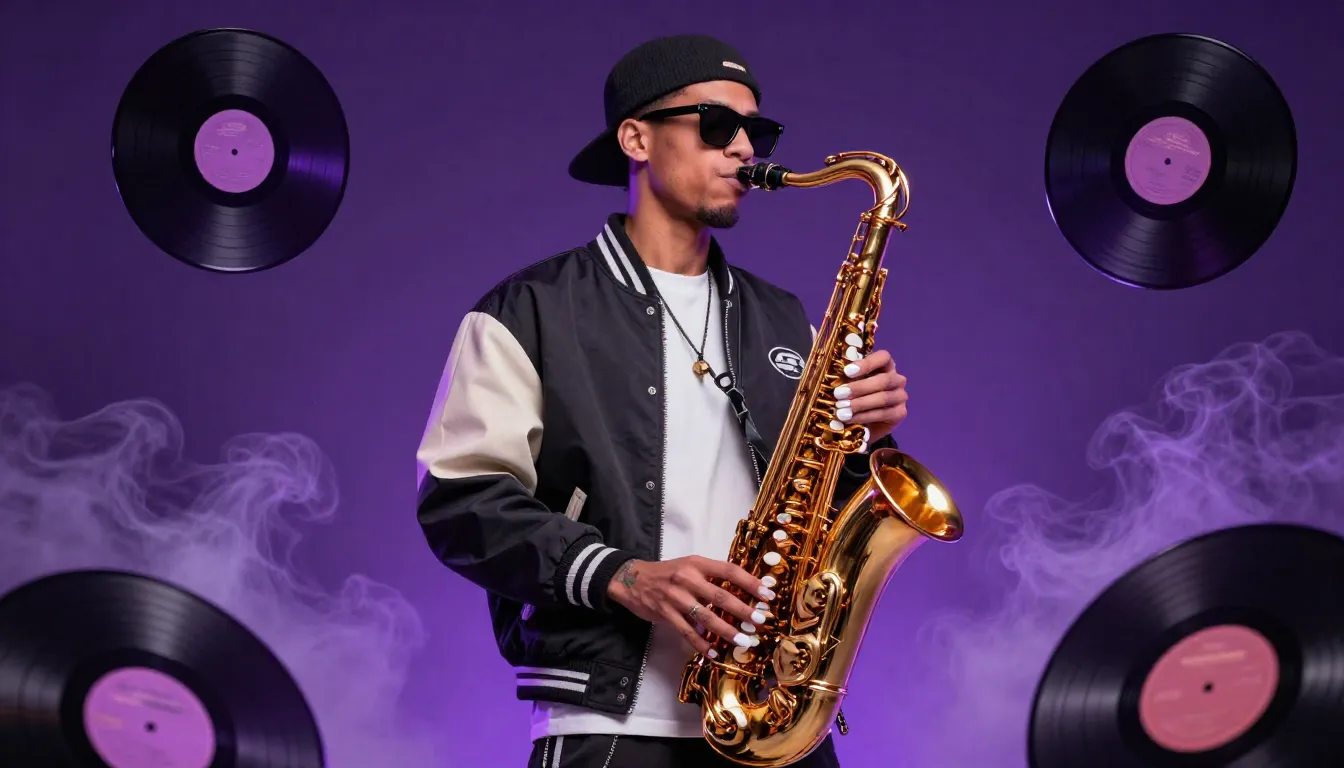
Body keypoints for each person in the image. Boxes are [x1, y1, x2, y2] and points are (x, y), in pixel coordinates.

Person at [415, 33, 911, 768]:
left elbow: (822, 509)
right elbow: (460, 502)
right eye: (717, 124)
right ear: (636, 139)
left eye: (757, 130)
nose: (744, 148)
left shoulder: (787, 321)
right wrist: (623, 575)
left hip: (774, 720)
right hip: (611, 725)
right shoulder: (531, 311)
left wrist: (864, 434)